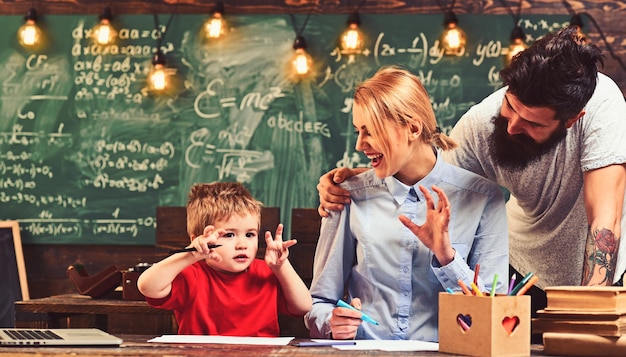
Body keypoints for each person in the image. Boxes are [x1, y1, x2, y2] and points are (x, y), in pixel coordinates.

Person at [316, 26, 626, 316]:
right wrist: (356, 179)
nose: (514, 125)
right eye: (511, 107)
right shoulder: (481, 123)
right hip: (522, 273)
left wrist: (589, 316)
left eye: (532, 122)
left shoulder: (603, 107)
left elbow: (605, 219)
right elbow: (426, 175)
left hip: (597, 276)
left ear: (571, 120)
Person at [304, 66, 509, 342]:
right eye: (357, 131)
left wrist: (446, 257)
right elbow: (318, 304)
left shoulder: (483, 199)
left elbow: (496, 316)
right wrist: (332, 323)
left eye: (370, 131)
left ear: (413, 128)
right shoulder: (346, 194)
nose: (359, 144)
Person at [137, 182, 312, 336]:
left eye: (250, 234)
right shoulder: (192, 275)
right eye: (229, 235)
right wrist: (190, 253)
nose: (242, 244)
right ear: (197, 239)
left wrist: (282, 267)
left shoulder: (267, 273)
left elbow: (303, 307)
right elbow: (147, 287)